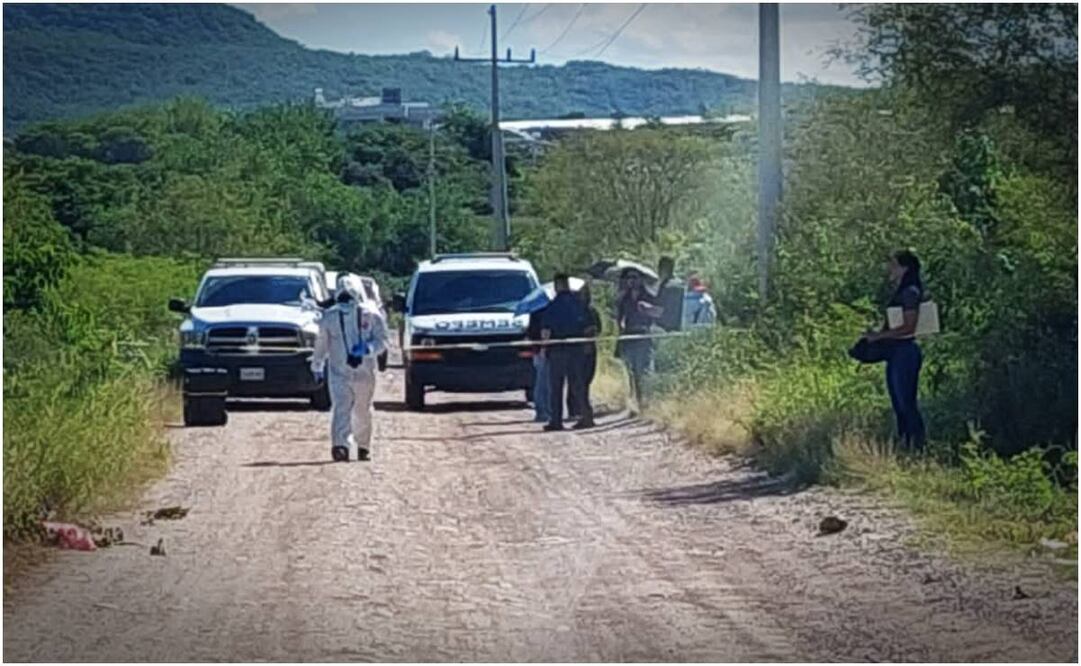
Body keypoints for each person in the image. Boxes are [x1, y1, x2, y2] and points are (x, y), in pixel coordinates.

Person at [311, 281, 388, 462]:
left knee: (362, 409)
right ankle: (341, 446)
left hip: (365, 371)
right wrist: (317, 364)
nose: (346, 300)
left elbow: (383, 341)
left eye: (349, 295)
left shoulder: (371, 315)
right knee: (341, 407)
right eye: (342, 296)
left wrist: (367, 349)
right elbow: (322, 343)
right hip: (339, 370)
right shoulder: (329, 317)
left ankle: (363, 446)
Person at [862, 250, 927, 450]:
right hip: (897, 353)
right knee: (899, 403)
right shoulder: (902, 291)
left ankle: (917, 445)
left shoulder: (910, 292)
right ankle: (905, 444)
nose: (890, 268)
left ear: (904, 268)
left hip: (906, 352)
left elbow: (909, 326)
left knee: (906, 402)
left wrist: (878, 337)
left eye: (894, 264)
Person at [540, 273, 590, 431]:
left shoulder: (552, 305)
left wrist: (543, 348)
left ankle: (556, 421)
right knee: (578, 386)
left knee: (556, 387)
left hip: (557, 351)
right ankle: (586, 417)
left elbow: (546, 331)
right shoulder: (579, 303)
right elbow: (589, 327)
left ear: (557, 285)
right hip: (577, 350)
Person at [616, 269, 664, 413]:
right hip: (628, 337)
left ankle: (647, 405)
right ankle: (635, 403)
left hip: (644, 336)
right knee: (631, 373)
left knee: (643, 371)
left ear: (641, 279)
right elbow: (619, 318)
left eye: (634, 277)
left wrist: (648, 309)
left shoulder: (649, 296)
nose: (631, 280)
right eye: (629, 278)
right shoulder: (624, 298)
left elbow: (660, 313)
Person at [527, 303, 551, 424]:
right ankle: (543, 411)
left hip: (538, 350)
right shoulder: (544, 312)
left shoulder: (534, 310)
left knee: (543, 381)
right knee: (543, 382)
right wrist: (543, 348)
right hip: (542, 351)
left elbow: (530, 332)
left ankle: (544, 411)